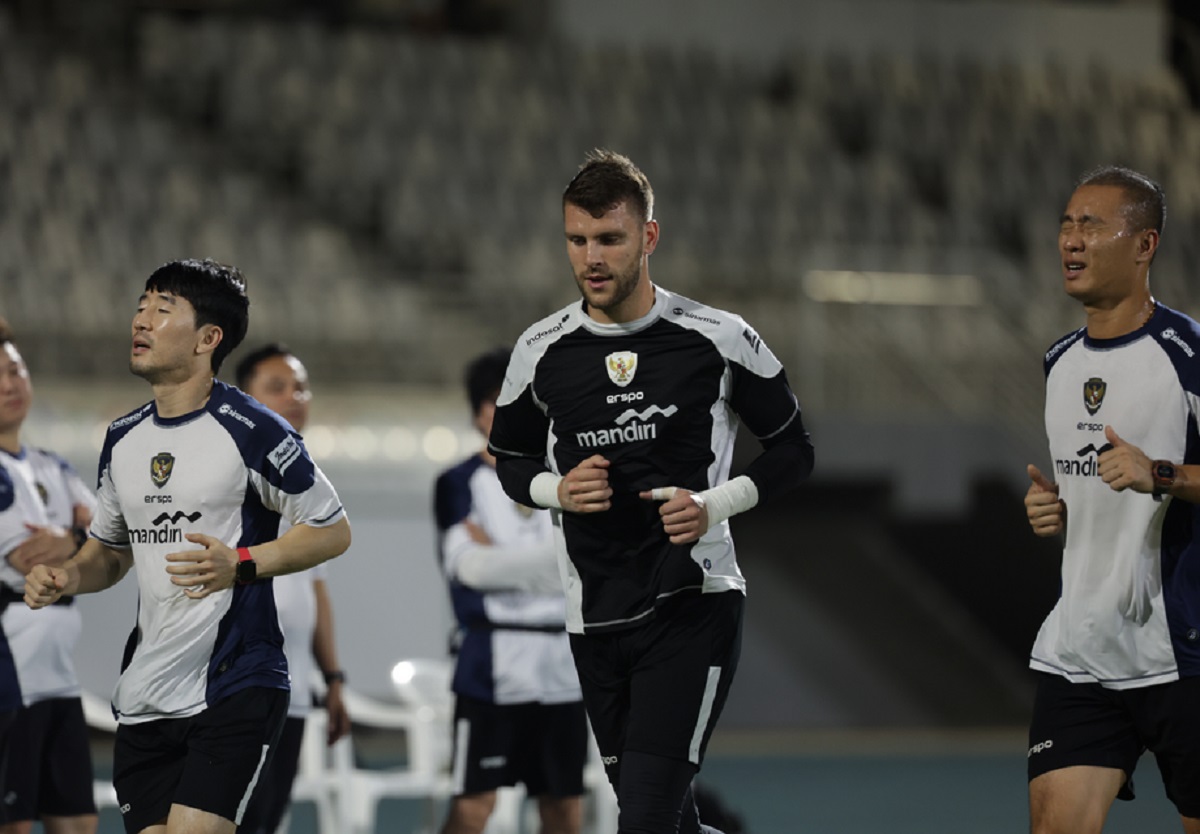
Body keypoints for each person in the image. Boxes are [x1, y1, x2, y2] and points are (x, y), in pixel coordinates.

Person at [487, 150, 814, 834]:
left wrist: (712, 506)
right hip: (594, 614)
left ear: (649, 237)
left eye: (610, 238)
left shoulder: (718, 337)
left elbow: (794, 450)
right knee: (665, 819)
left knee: (643, 817)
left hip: (691, 601)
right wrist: (556, 490)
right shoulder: (540, 349)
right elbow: (510, 455)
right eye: (577, 240)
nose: (591, 258)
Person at [24, 259, 351, 834]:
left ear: (208, 338)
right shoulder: (122, 437)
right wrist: (68, 577)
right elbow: (111, 551)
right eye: (142, 305)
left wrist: (242, 564)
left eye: (163, 309)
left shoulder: (254, 428)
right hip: (147, 690)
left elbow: (331, 528)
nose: (141, 320)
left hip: (236, 681)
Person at [1023, 166, 1200, 834]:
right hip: (1083, 650)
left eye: (1091, 225)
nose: (1071, 239)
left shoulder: (1187, 356)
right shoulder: (1059, 361)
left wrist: (1164, 474)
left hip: (1181, 651)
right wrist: (1059, 511)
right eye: (1067, 224)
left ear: (1145, 245)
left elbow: (1156, 478)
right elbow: (1093, 494)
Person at [434, 348, 587, 834]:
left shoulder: (567, 480)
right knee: (474, 805)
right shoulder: (457, 483)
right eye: (498, 401)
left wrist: (501, 560)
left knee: (564, 808)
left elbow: (580, 566)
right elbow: (467, 569)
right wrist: (550, 567)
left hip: (563, 664)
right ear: (479, 413)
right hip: (489, 664)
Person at [233, 344, 351, 834]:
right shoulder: (231, 472)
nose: (294, 396)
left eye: (300, 386)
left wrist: (334, 677)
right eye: (277, 387)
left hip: (295, 687)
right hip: (240, 684)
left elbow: (314, 590)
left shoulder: (306, 479)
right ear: (244, 398)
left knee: (267, 822)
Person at [0, 318, 98, 834]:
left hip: (59, 678)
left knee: (79, 821)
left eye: (15, 370)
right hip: (11, 677)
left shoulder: (52, 466)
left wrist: (73, 542)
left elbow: (114, 540)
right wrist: (75, 539)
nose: (9, 384)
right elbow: (31, 559)